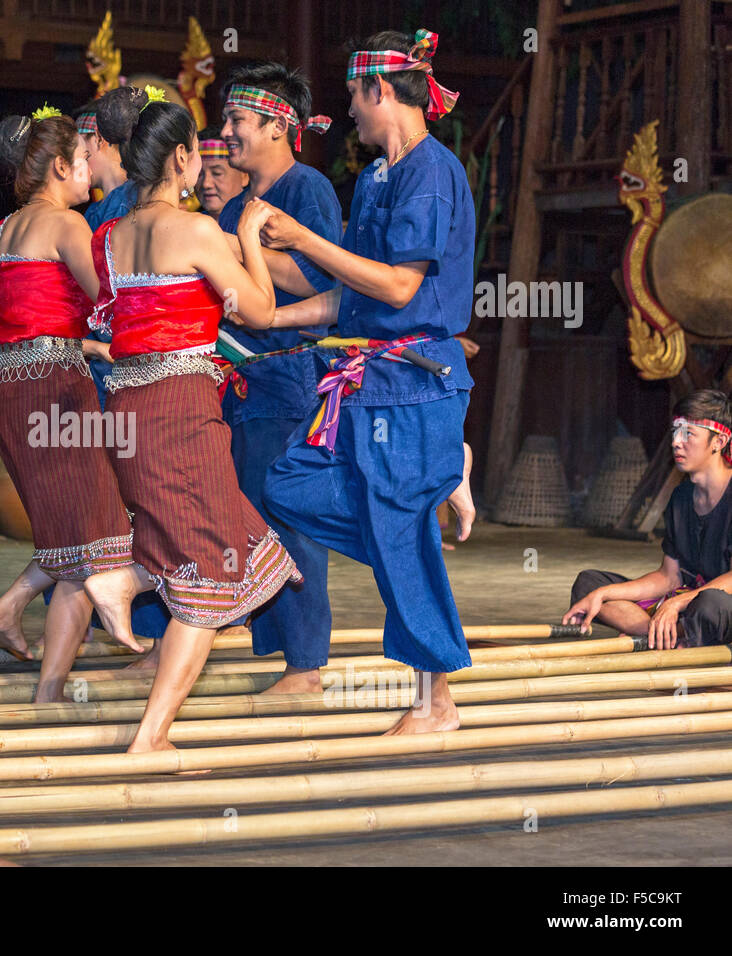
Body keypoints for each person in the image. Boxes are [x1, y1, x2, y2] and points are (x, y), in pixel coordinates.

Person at [259, 29, 475, 734]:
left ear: (380, 90)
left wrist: (303, 239)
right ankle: (415, 515)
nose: (347, 109)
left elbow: (398, 283)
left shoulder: (431, 172)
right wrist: (265, 314)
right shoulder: (379, 175)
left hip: (412, 383)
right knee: (287, 485)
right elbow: (351, 299)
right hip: (365, 381)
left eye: (352, 94)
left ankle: (434, 700)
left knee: (399, 530)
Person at [82, 85, 300, 754]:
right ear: (178, 157)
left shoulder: (111, 237)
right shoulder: (198, 230)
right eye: (196, 154)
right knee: (205, 576)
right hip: (181, 408)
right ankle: (152, 737)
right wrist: (246, 241)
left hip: (128, 410)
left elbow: (105, 322)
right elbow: (257, 312)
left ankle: (123, 577)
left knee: (196, 537)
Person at [0, 107, 146, 698]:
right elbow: (112, 300)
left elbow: (19, 314)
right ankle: (54, 676)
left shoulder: (2, 232)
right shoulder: (70, 227)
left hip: (8, 389)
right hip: (55, 388)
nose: (90, 175)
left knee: (74, 535)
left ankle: (19, 626)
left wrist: (88, 347)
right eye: (80, 163)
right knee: (97, 529)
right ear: (56, 167)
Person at [212, 63, 343, 696]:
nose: (227, 131)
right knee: (252, 512)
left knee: (290, 515)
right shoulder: (238, 203)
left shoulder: (308, 188)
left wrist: (241, 249)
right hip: (239, 379)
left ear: (276, 125)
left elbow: (321, 282)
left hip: (289, 376)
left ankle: (307, 665)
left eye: (238, 121)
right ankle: (279, 649)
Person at [565, 390, 732, 648]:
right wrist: (602, 593)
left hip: (716, 606)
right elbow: (669, 577)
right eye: (675, 432)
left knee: (710, 604)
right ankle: (663, 634)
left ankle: (669, 631)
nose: (677, 442)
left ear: (718, 442)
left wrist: (677, 603)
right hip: (689, 604)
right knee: (588, 585)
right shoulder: (681, 496)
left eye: (688, 433)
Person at [74, 100, 138, 230]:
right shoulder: (92, 211)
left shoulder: (136, 198)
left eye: (80, 146)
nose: (76, 158)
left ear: (98, 138)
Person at [194, 126, 247, 220]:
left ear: (244, 176)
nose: (206, 184)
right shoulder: (187, 228)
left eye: (217, 173)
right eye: (199, 174)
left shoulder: (261, 227)